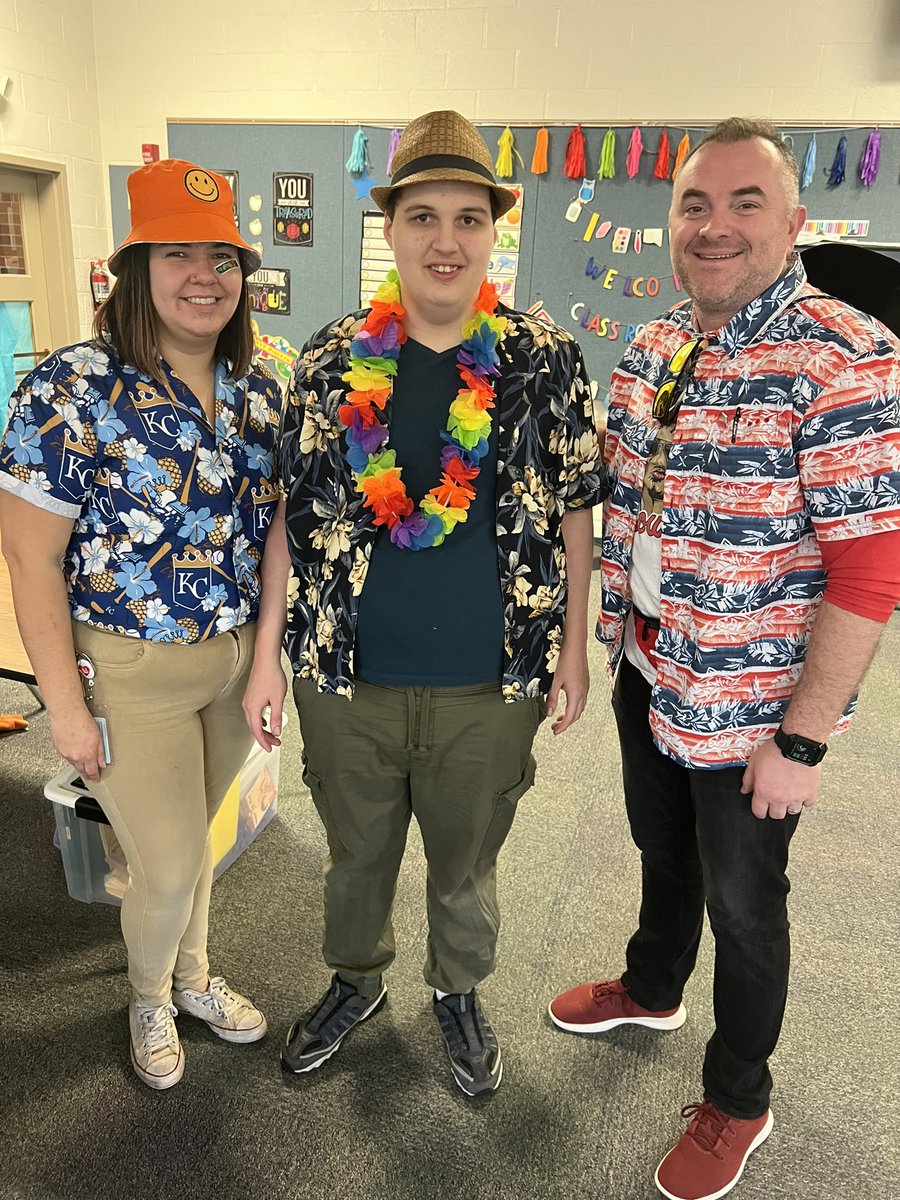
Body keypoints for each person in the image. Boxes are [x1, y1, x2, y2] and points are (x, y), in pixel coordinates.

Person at [549, 117, 900, 1200]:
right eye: (696, 204)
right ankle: (654, 986)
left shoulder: (845, 354)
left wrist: (804, 742)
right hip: (652, 665)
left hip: (755, 710)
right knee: (663, 852)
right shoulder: (658, 344)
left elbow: (871, 572)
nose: (716, 225)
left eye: (747, 203)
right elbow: (618, 498)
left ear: (794, 222)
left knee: (748, 908)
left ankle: (740, 1098)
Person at [243, 109, 603, 1096]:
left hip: (491, 681)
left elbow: (577, 512)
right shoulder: (329, 362)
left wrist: (574, 650)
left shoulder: (544, 359)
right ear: (392, 227)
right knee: (354, 855)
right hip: (345, 678)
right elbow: (288, 518)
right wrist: (268, 657)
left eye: (468, 219)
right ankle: (356, 981)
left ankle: (457, 988)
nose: (446, 241)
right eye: (424, 217)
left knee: (466, 861)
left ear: (494, 231)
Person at [0, 159, 283, 1090]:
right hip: (127, 672)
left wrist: (268, 662)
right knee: (164, 865)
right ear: (134, 268)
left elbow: (276, 532)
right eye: (176, 254)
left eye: (222, 258)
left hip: (230, 666)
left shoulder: (260, 386)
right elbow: (30, 558)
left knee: (196, 844)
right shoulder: (71, 387)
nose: (205, 276)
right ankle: (150, 995)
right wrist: (62, 708)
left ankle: (192, 979)